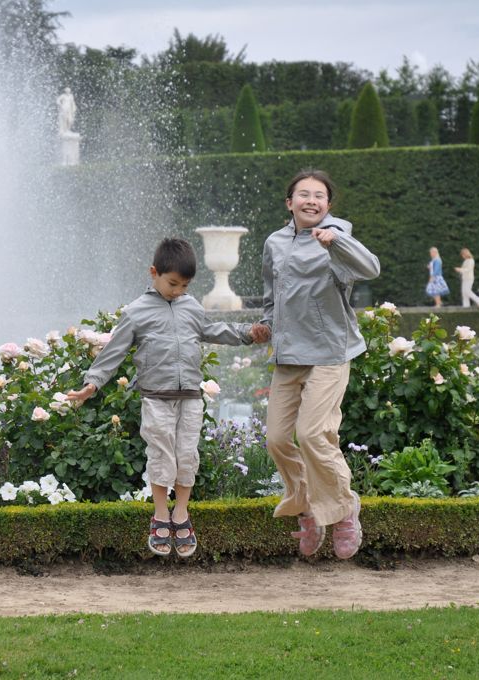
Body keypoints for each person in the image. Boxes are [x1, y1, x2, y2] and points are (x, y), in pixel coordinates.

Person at [67, 238, 256, 557]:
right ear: (154, 272)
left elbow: (215, 330)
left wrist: (248, 333)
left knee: (187, 455)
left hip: (190, 396)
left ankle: (180, 514)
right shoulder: (136, 312)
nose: (178, 291)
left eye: (185, 285)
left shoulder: (191, 306)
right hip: (156, 397)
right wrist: (92, 384)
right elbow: (113, 352)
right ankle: (159, 515)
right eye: (173, 284)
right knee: (161, 456)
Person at [246, 169, 380, 560]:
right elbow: (272, 293)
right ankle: (307, 507)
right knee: (276, 439)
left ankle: (343, 509)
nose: (311, 200)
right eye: (303, 194)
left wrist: (336, 241)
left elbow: (370, 268)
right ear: (290, 203)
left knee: (313, 434)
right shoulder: (275, 242)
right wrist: (266, 324)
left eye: (319, 196)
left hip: (328, 352)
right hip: (288, 355)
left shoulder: (337, 235)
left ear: (328, 205)